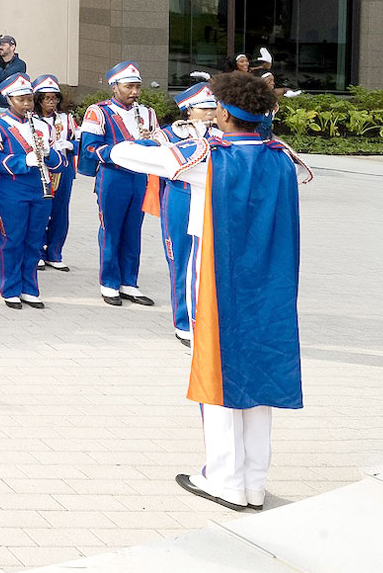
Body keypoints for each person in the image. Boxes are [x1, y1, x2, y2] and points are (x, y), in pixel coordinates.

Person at [107, 71, 308, 512]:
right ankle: (253, 482)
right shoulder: (280, 156)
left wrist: (160, 141)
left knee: (217, 371)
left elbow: (122, 152)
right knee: (259, 376)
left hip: (219, 278)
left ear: (224, 113)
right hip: (269, 281)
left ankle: (223, 479)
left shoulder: (207, 156)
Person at [79, 61, 160, 307]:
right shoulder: (98, 111)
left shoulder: (147, 113)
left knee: (133, 230)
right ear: (114, 87)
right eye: (129, 87)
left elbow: (158, 139)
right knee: (111, 229)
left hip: (139, 176)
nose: (134, 92)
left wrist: (151, 142)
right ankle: (110, 283)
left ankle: (130, 283)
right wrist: (123, 150)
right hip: (113, 176)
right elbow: (89, 148)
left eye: (137, 87)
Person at [0, 74, 64, 309]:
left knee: (34, 240)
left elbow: (60, 164)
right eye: (21, 100)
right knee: (13, 238)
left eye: (29, 99)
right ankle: (10, 288)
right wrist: (23, 161)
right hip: (11, 188)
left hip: (41, 188)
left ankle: (30, 288)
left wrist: (49, 154)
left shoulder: (43, 126)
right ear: (9, 100)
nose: (27, 104)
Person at [152, 83, 221, 345]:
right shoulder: (170, 134)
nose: (211, 113)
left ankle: (207, 319)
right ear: (189, 111)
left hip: (213, 199)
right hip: (182, 196)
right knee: (182, 258)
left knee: (210, 262)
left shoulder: (222, 134)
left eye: (214, 108)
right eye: (205, 109)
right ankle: (184, 321)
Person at [33, 76, 79, 273]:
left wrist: (70, 144)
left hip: (64, 169)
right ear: (38, 100)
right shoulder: (32, 120)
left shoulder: (67, 119)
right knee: (40, 211)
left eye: (55, 98)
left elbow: (81, 143)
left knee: (60, 211)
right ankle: (37, 252)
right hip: (40, 169)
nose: (51, 103)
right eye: (47, 98)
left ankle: (55, 252)